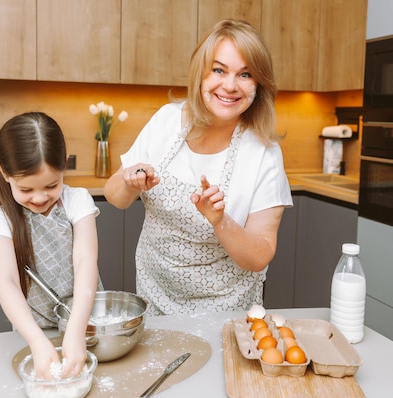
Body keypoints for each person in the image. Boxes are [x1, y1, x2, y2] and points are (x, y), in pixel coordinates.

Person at [104, 20, 293, 315]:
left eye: (245, 74)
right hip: (155, 297)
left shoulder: (264, 154)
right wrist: (129, 181)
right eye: (219, 70)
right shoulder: (166, 121)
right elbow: (114, 196)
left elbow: (259, 256)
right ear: (201, 73)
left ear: (258, 84)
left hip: (226, 310)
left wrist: (220, 221)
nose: (230, 86)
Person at [0, 112, 101, 379]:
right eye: (25, 190)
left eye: (51, 185)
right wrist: (36, 342)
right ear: (4, 173)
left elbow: (85, 261)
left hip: (84, 323)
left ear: (64, 166)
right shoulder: (0, 217)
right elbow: (7, 282)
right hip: (32, 330)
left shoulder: (77, 201)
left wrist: (76, 330)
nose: (39, 197)